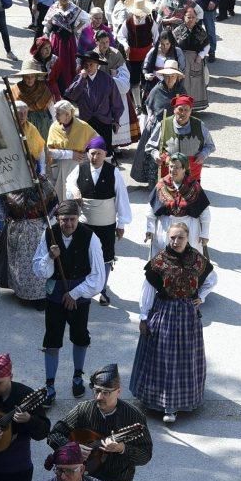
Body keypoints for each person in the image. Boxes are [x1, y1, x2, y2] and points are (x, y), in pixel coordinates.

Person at [130, 222, 211, 423]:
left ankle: (177, 403)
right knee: (164, 357)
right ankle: (163, 403)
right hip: (164, 311)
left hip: (187, 315)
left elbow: (211, 279)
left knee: (185, 358)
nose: (176, 241)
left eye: (180, 237)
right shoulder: (158, 262)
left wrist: (201, 296)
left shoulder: (197, 260)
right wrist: (143, 316)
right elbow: (147, 290)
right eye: (172, 237)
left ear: (187, 237)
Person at [47, 363, 150, 481]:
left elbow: (145, 455)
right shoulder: (83, 410)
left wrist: (123, 449)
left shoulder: (133, 416)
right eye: (96, 391)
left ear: (118, 392)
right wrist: (72, 449)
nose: (99, 397)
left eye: (106, 392)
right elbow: (54, 435)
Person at [32, 200, 106, 401]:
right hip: (55, 295)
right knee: (52, 339)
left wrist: (75, 294)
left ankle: (77, 376)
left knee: (80, 336)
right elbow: (39, 270)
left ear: (78, 218)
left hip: (79, 298)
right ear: (57, 218)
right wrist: (49, 256)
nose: (69, 224)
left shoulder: (90, 238)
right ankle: (49, 384)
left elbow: (98, 277)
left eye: (73, 219)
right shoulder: (49, 234)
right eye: (64, 219)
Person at [66, 137, 132, 305]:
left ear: (105, 155)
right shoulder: (80, 168)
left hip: (106, 223)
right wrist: (74, 191)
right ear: (88, 153)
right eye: (92, 154)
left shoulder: (113, 172)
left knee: (106, 257)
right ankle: (83, 287)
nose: (95, 157)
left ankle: (102, 289)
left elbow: (121, 199)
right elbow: (69, 183)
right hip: (85, 222)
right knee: (82, 254)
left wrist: (121, 223)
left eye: (99, 154)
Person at [0, 174, 58, 304]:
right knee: (20, 264)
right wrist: (7, 217)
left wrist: (46, 223)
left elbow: (53, 202)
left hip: (38, 230)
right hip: (17, 229)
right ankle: (23, 294)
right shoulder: (8, 182)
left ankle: (40, 297)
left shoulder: (42, 181)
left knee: (38, 261)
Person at [146, 153, 211, 259]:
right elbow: (151, 208)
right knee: (164, 261)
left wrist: (205, 233)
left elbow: (204, 211)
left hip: (189, 228)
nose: (173, 170)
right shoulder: (161, 185)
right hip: (165, 227)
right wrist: (150, 228)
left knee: (188, 261)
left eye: (177, 167)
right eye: (171, 166)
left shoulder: (194, 187)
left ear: (184, 169)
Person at [131, 61, 185, 184]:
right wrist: (151, 117)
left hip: (175, 127)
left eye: (172, 76)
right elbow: (149, 105)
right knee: (155, 155)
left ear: (177, 77)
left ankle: (174, 181)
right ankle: (154, 182)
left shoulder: (181, 90)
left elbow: (186, 108)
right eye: (167, 76)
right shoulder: (157, 89)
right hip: (157, 127)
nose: (169, 79)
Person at [145, 94, 215, 183]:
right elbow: (150, 146)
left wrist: (203, 155)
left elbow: (210, 145)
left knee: (191, 195)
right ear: (174, 110)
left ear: (190, 112)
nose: (183, 113)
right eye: (180, 109)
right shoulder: (164, 124)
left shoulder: (199, 125)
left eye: (186, 110)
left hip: (192, 169)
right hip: (170, 170)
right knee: (169, 195)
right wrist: (156, 155)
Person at [65, 51, 124, 155]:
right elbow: (71, 96)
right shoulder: (80, 78)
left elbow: (116, 101)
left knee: (105, 152)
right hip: (86, 121)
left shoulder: (107, 79)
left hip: (104, 121)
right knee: (88, 152)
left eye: (91, 64)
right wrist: (81, 79)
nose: (88, 67)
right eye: (86, 64)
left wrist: (116, 120)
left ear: (97, 65)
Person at [47, 102, 100, 202]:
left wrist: (88, 155)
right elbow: (49, 152)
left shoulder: (83, 126)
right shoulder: (54, 127)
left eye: (58, 114)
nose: (55, 116)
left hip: (80, 167)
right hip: (60, 169)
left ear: (67, 114)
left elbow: (98, 143)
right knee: (63, 200)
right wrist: (70, 154)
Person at [44, 0, 91, 94]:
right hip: (56, 41)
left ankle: (72, 90)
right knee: (57, 63)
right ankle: (58, 90)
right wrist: (46, 34)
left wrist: (76, 29)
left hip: (69, 42)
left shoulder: (74, 8)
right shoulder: (53, 8)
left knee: (71, 65)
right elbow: (48, 23)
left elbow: (86, 19)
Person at [11, 57, 54, 140]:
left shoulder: (43, 87)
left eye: (32, 76)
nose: (30, 79)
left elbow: (51, 106)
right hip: (24, 121)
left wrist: (56, 123)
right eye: (27, 77)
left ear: (36, 77)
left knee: (43, 145)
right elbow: (12, 109)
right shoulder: (15, 89)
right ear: (23, 77)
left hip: (43, 122)